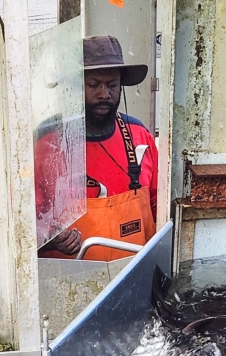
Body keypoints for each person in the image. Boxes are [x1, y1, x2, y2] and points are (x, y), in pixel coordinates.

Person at [38, 35, 158, 261]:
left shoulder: (139, 135)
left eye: (112, 85)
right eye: (93, 85)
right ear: (74, 87)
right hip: (69, 280)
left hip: (134, 272)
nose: (105, 94)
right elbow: (22, 222)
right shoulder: (47, 144)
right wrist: (50, 236)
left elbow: (157, 205)